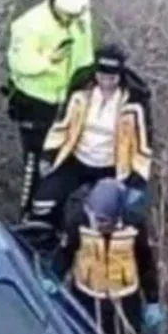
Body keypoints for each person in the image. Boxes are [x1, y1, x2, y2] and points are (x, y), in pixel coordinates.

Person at [49, 178, 165, 334]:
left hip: (124, 300)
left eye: (104, 221)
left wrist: (152, 300)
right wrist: (51, 278)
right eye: (97, 219)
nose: (99, 225)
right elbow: (65, 253)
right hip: (87, 298)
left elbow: (145, 264)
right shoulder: (78, 221)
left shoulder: (134, 225)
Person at [29, 44, 153, 229]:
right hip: (77, 160)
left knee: (104, 213)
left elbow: (143, 143)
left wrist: (138, 175)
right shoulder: (80, 95)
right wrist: (50, 153)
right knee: (43, 203)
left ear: (119, 77)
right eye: (102, 77)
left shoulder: (133, 104)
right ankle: (48, 240)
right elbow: (62, 126)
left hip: (111, 167)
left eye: (112, 78)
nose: (106, 82)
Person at [4, 0, 96, 216]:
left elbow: (85, 53)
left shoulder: (81, 18)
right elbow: (19, 63)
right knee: (35, 161)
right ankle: (27, 213)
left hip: (71, 99)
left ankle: (58, 210)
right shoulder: (30, 25)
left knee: (68, 156)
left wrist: (87, 82)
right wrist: (48, 61)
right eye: (68, 16)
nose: (71, 20)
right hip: (36, 103)